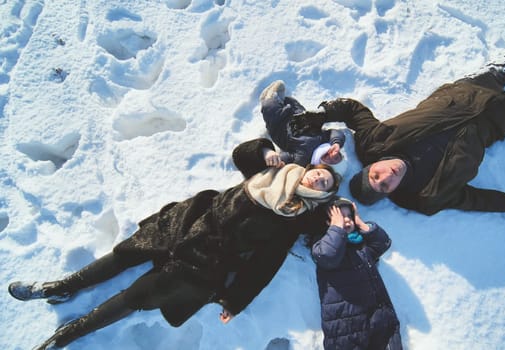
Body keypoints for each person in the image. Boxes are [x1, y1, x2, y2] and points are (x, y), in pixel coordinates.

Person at [7, 137, 340, 350]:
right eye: (320, 173)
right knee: (125, 254)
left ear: (321, 194)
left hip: (208, 258)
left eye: (324, 184)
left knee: (139, 296)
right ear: (312, 167)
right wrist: (265, 150)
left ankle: (68, 334)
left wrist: (235, 300)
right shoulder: (275, 169)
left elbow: (265, 265)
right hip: (190, 219)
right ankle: (61, 287)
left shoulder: (290, 220)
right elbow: (242, 154)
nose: (318, 179)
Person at [291, 8, 505, 216]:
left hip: (464, 93)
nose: (387, 175)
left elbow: (352, 109)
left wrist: (321, 116)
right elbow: (477, 200)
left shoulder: (375, 140)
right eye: (385, 186)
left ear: (372, 165)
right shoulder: (428, 195)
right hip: (497, 121)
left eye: (376, 175)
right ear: (392, 193)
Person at [311, 197, 402, 349]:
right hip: (346, 323)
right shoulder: (322, 245)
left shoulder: (361, 247)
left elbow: (383, 243)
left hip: (378, 317)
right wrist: (337, 229)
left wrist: (361, 223)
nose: (346, 220)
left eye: (349, 216)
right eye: (339, 217)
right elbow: (328, 256)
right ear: (328, 222)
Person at [259, 80, 348, 176]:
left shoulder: (304, 160)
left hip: (281, 127)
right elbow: (335, 133)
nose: (332, 155)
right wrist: (336, 143)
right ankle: (282, 100)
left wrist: (277, 160)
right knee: (292, 103)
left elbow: (287, 159)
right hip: (300, 118)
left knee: (270, 109)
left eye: (333, 161)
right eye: (337, 156)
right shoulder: (326, 142)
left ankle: (269, 99)